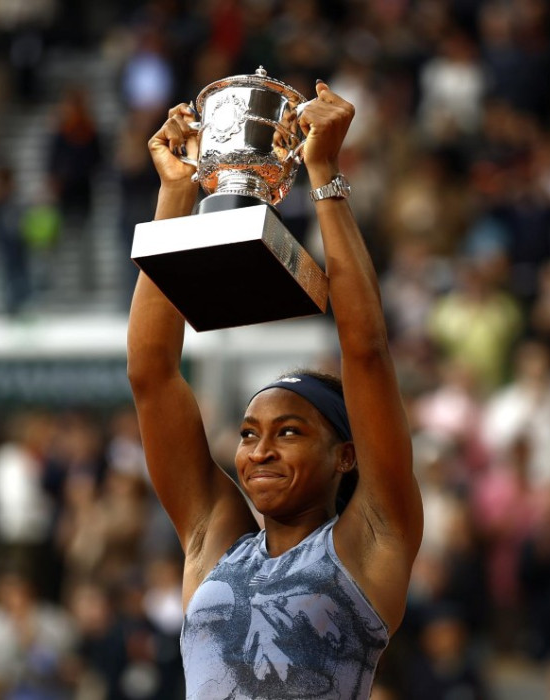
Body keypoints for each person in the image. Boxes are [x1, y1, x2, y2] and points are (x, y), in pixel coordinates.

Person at [127, 83, 423, 699]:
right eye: (248, 433)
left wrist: (324, 174)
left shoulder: (372, 539)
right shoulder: (215, 539)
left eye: (289, 432)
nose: (258, 451)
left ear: (345, 455)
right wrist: (177, 195)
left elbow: (365, 351)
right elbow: (151, 375)